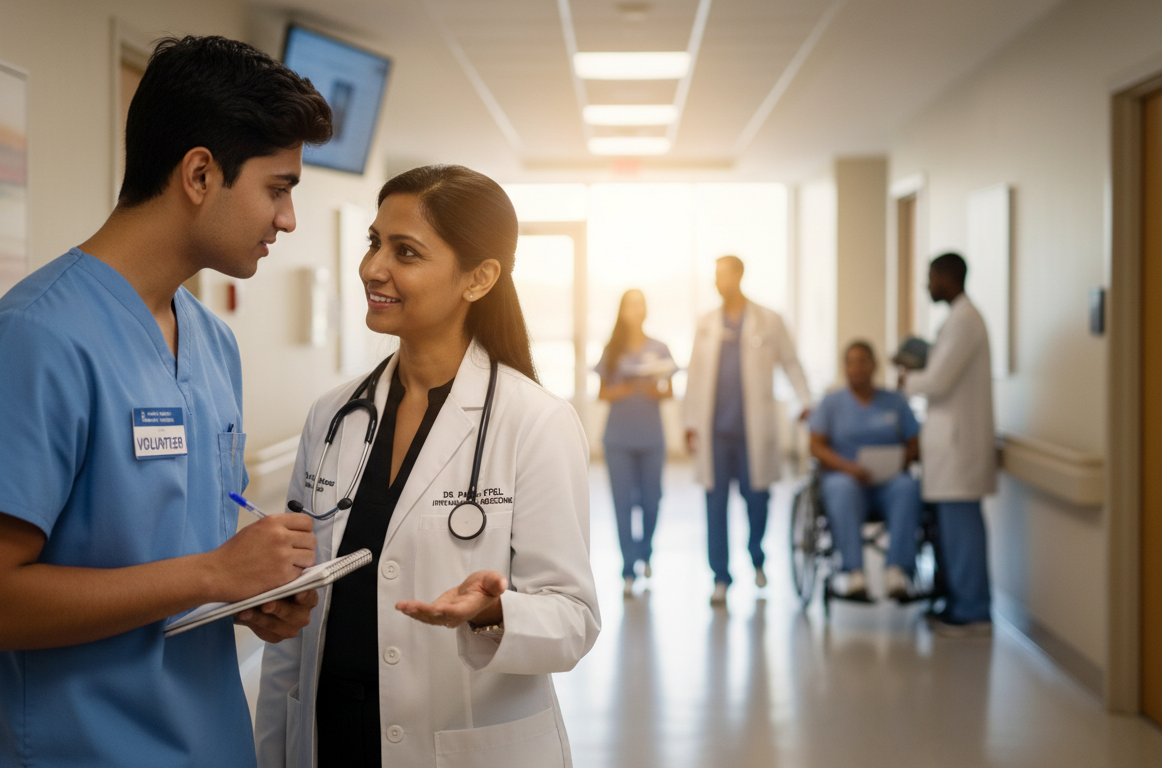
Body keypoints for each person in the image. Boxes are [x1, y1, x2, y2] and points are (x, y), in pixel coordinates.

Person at [0, 36, 333, 767]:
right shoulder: (36, 341)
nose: (288, 220)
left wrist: (251, 596)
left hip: (205, 737)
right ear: (200, 173)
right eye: (278, 189)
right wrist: (216, 574)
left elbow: (179, 558)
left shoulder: (212, 344)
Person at [254, 165, 601, 768]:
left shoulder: (534, 422)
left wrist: (495, 611)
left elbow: (574, 619)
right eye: (373, 242)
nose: (372, 268)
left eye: (405, 252)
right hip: (328, 732)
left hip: (460, 746)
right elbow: (298, 606)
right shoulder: (333, 415)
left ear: (479, 278)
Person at [684, 255, 812, 605]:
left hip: (752, 432)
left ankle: (757, 556)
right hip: (715, 432)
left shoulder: (768, 320)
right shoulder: (707, 322)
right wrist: (689, 422)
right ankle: (720, 577)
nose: (717, 282)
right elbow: (695, 376)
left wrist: (805, 401)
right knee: (715, 504)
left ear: (738, 276)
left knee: (758, 501)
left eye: (722, 275)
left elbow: (791, 363)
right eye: (714, 276)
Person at [900, 252, 997, 636]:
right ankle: (958, 601)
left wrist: (907, 380)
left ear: (946, 276)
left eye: (930, 277)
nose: (927, 285)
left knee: (962, 535)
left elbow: (938, 382)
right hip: (949, 448)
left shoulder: (965, 321)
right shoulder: (956, 319)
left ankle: (972, 610)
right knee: (952, 534)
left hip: (960, 450)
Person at [809, 341, 922, 600]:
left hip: (888, 482)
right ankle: (854, 572)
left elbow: (914, 441)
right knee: (842, 488)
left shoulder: (894, 402)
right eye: (851, 362)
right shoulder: (832, 402)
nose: (857, 367)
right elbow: (815, 446)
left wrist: (897, 463)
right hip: (846, 477)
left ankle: (897, 570)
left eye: (863, 361)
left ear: (875, 365)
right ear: (844, 368)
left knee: (908, 487)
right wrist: (847, 467)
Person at [596, 289, 676, 597]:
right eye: (630, 305)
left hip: (651, 437)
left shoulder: (660, 347)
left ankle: (646, 552)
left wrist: (655, 389)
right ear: (622, 310)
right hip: (618, 438)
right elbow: (603, 393)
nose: (635, 310)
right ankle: (628, 568)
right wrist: (625, 388)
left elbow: (668, 390)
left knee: (652, 500)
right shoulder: (612, 349)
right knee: (622, 504)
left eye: (640, 304)